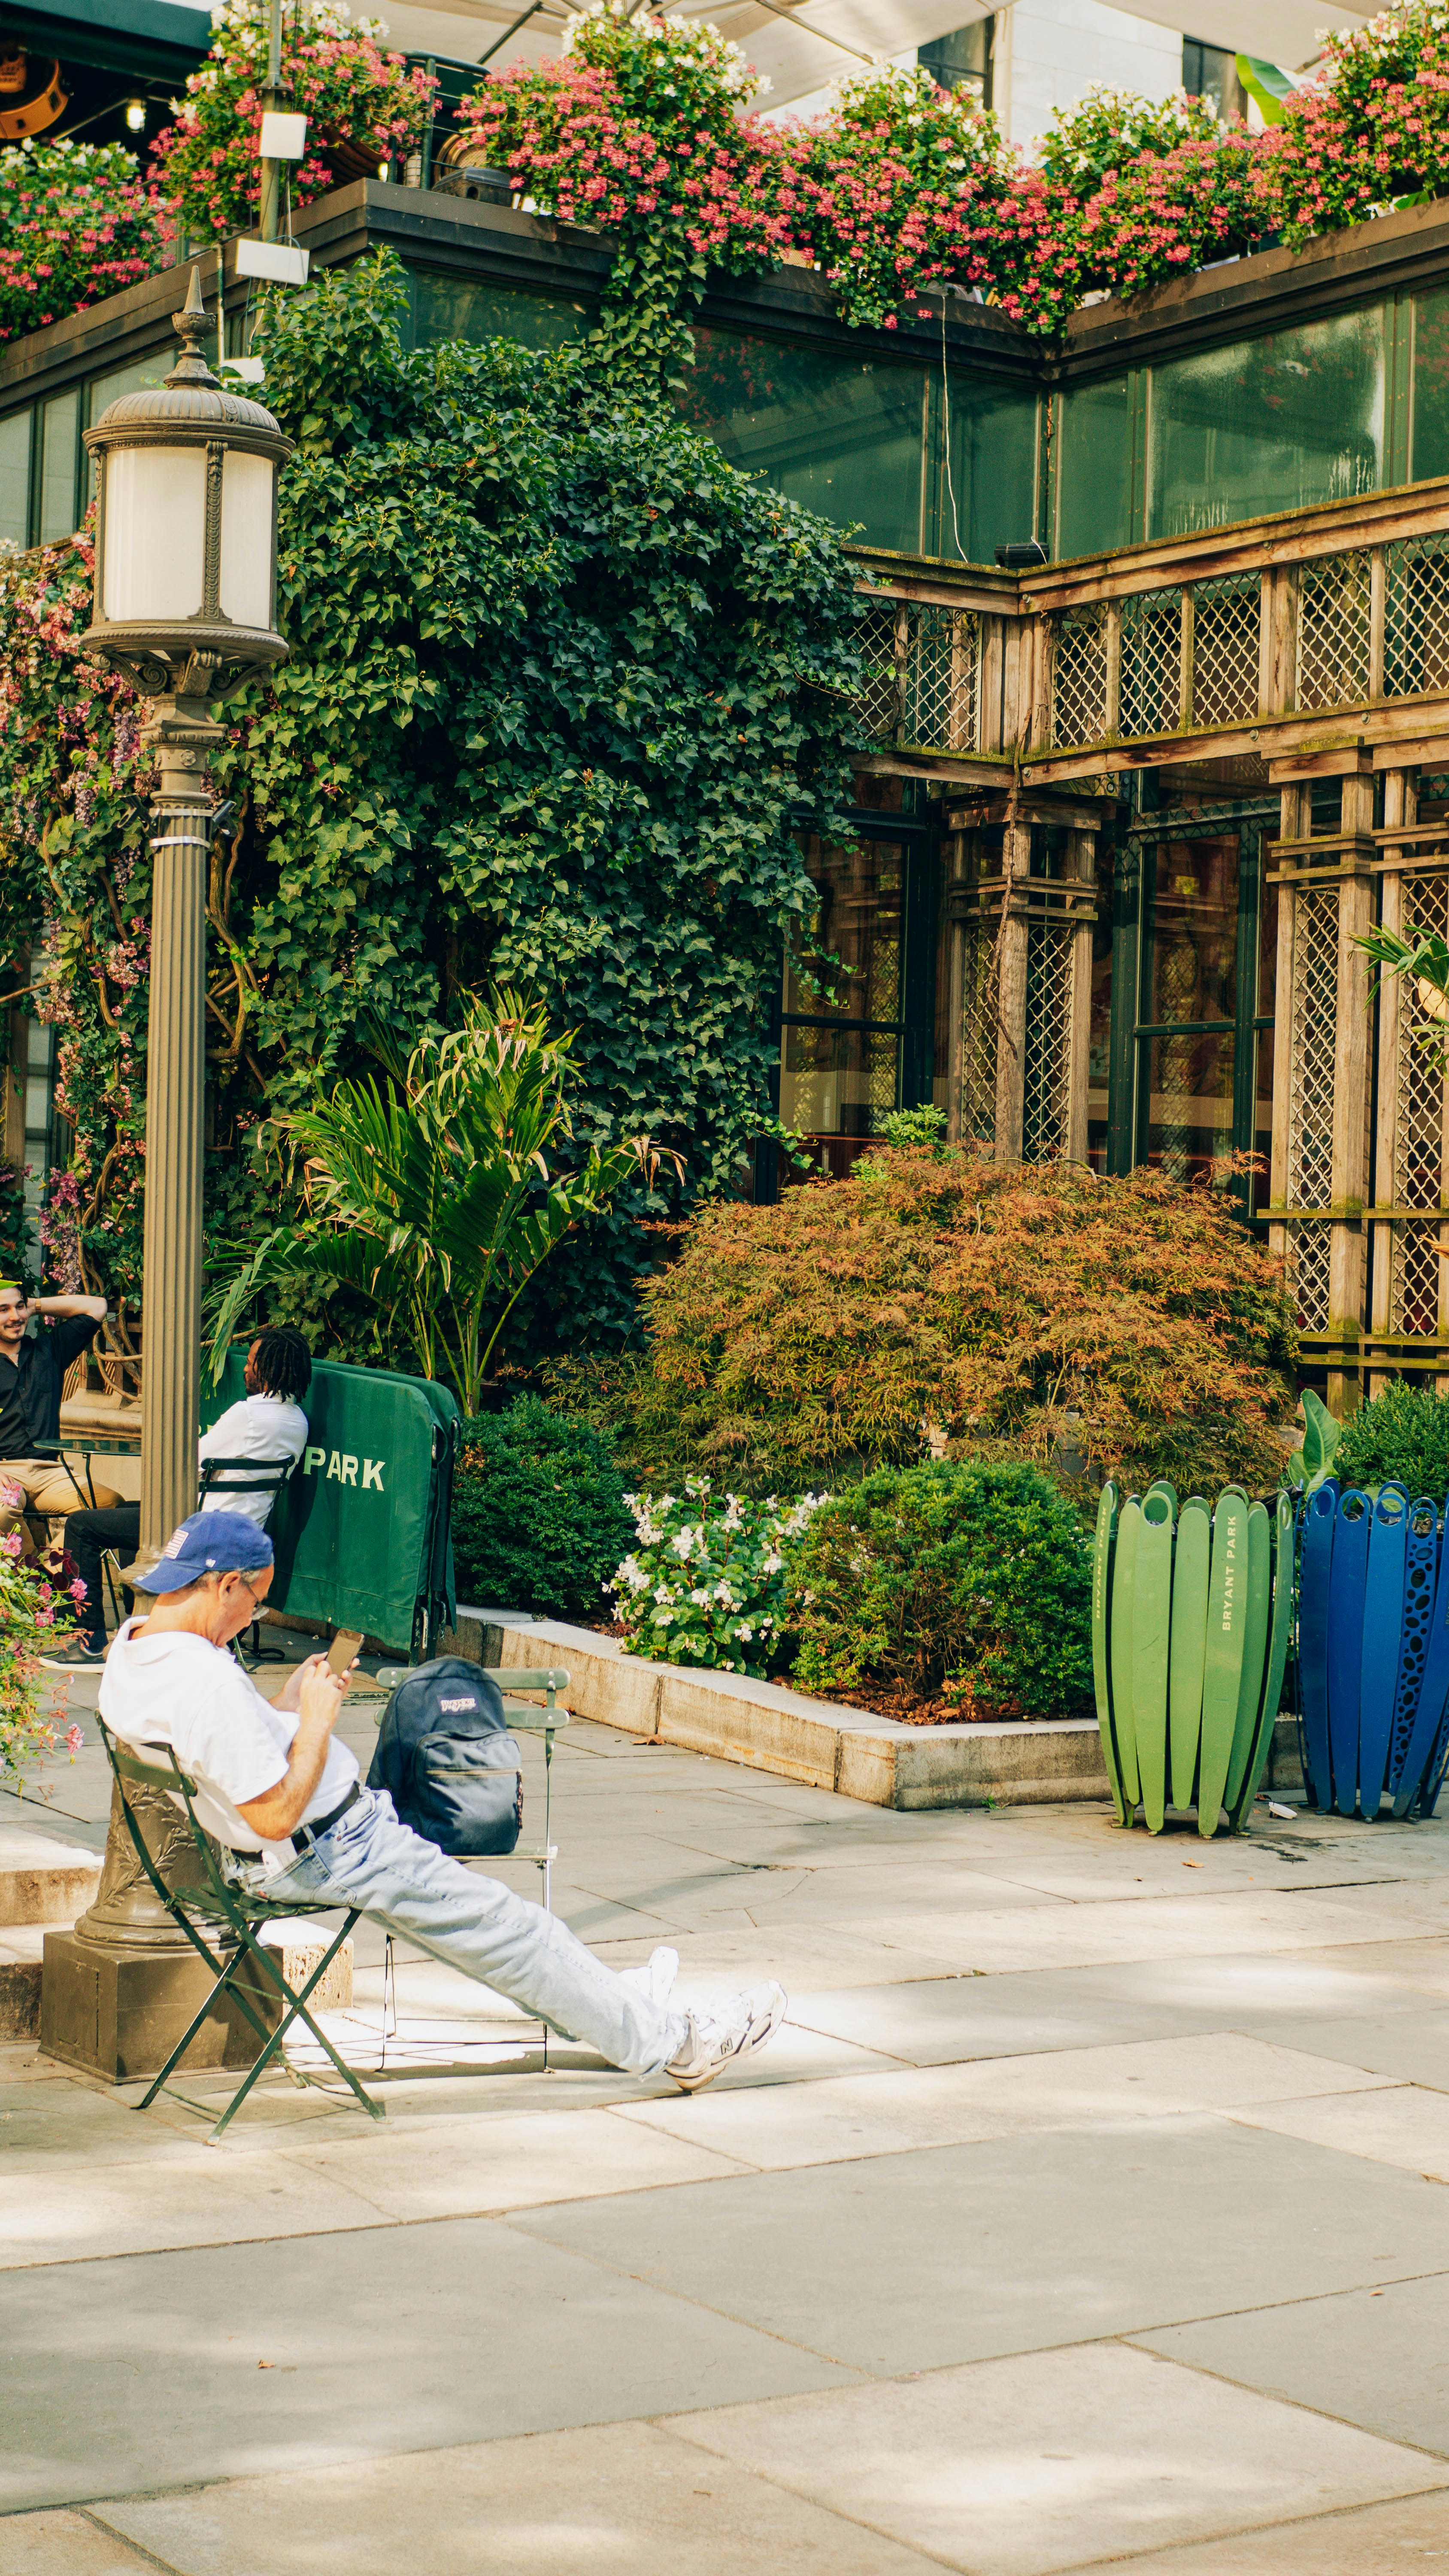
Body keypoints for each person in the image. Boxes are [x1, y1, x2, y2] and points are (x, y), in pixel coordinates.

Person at [99, 1511, 786, 2095]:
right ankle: (678, 2046)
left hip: (300, 1848)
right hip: (327, 1845)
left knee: (492, 1934)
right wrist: (313, 1721)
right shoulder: (204, 1683)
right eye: (256, 1602)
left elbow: (225, 1751)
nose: (257, 1615)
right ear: (224, 1585)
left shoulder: (132, 1657)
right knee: (518, 1931)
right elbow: (273, 1814)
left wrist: (279, 1712)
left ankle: (612, 2006)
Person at [46, 1324, 313, 1670]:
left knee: (82, 1525)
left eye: (251, 1362)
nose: (245, 1369)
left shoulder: (247, 1414)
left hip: (203, 1530)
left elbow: (186, 1468)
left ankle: (89, 1640)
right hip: (244, 1532)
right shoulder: (297, 1420)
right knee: (133, 1513)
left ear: (270, 1368)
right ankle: (144, 1623)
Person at [0, 1276, 118, 1552]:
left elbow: (97, 1307)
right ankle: (32, 1580)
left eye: (19, 1307)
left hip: (51, 1472)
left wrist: (35, 1305)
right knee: (3, 1513)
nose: (15, 1317)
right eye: (3, 1310)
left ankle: (52, 1573)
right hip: (5, 1472)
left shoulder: (49, 1351)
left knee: (110, 1504)